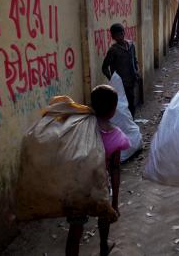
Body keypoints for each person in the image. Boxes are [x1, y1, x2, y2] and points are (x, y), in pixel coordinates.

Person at [66, 85, 130, 256]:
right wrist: (115, 201)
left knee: (76, 226)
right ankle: (103, 246)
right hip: (101, 184)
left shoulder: (79, 128)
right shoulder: (115, 135)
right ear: (114, 110)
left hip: (79, 185)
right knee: (104, 213)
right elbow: (115, 169)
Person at [102, 23, 139, 117]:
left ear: (124, 33)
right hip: (121, 84)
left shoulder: (131, 45)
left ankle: (131, 124)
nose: (120, 36)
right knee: (122, 107)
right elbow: (104, 67)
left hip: (131, 80)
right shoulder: (113, 50)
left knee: (131, 104)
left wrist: (136, 71)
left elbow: (134, 60)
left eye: (122, 33)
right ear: (113, 37)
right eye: (117, 35)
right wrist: (113, 79)